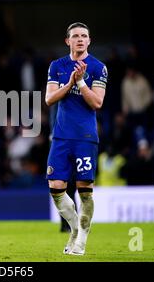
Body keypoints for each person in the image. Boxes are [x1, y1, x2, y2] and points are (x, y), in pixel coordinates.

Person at [45, 22, 107, 255]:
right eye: (75, 36)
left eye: (84, 36)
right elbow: (49, 99)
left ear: (89, 41)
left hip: (85, 137)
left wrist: (80, 82)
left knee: (84, 189)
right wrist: (70, 82)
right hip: (61, 136)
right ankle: (74, 229)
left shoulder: (98, 68)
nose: (80, 39)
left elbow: (97, 103)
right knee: (56, 187)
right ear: (67, 41)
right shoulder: (57, 66)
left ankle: (81, 240)